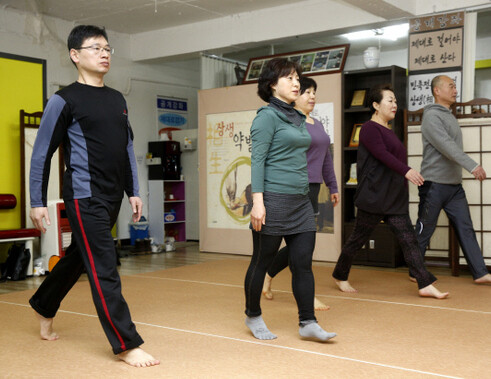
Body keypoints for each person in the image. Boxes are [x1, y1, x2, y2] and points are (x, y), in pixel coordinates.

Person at [28, 25, 159, 367]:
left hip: (113, 194)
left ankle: (44, 304)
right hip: (84, 196)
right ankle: (126, 343)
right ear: (75, 55)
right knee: (104, 266)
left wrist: (134, 190)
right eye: (95, 48)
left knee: (78, 257)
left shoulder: (117, 98)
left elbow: (127, 147)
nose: (104, 53)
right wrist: (37, 200)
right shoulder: (64, 99)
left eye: (108, 48)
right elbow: (43, 152)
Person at [244, 58, 336, 342]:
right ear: (273, 83)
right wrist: (258, 203)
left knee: (302, 263)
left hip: (300, 201)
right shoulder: (266, 117)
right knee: (261, 262)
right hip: (272, 199)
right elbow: (257, 161)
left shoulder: (296, 118)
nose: (297, 83)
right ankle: (253, 315)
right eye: (290, 78)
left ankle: (307, 322)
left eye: (298, 77)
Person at [331, 84, 449, 299]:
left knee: (408, 239)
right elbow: (382, 154)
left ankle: (424, 284)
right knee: (358, 239)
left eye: (395, 101)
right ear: (376, 105)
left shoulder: (389, 130)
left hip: (393, 197)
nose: (395, 105)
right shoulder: (368, 128)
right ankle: (340, 275)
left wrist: (404, 176)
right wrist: (407, 171)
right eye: (389, 101)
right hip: (374, 196)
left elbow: (391, 160)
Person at [261, 76, 339, 311]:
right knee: (299, 246)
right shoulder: (290, 124)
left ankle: (268, 273)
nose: (312, 96)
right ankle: (306, 295)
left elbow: (326, 158)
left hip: (313, 188)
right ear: (295, 97)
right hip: (290, 189)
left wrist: (333, 186)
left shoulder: (318, 124)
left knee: (301, 244)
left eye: (314, 92)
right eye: (307, 92)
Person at [415, 75, 491, 284]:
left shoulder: (448, 115)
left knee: (465, 227)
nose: (455, 90)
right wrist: (473, 166)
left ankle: (480, 272)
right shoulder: (431, 117)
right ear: (437, 91)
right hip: (434, 185)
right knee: (424, 230)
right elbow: (447, 147)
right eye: (451, 86)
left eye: (455, 86)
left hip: (454, 186)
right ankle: (416, 271)